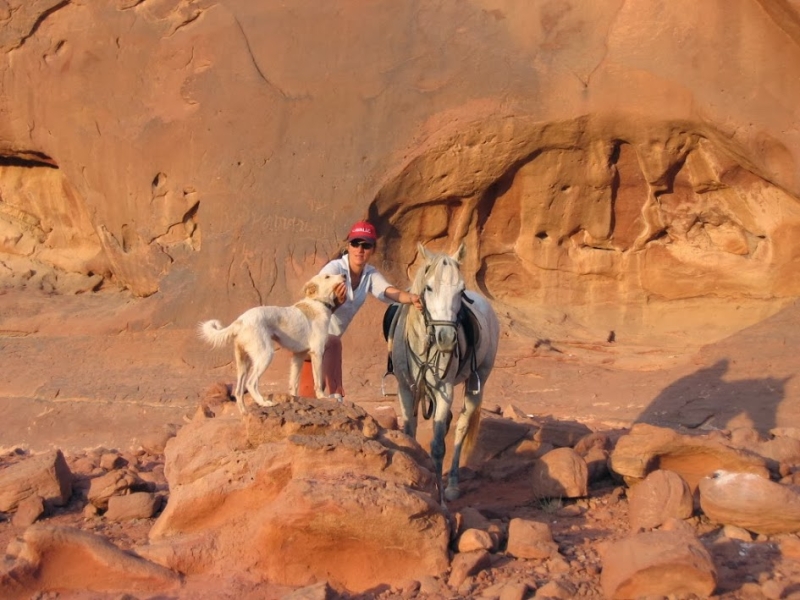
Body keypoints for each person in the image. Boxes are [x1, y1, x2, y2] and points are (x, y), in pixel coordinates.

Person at [298, 221, 422, 400]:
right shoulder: (334, 269)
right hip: (310, 337)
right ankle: (336, 396)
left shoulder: (369, 274)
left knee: (314, 401)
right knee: (310, 397)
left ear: (373, 249)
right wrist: (336, 304)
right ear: (348, 245)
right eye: (355, 243)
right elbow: (312, 300)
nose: (360, 249)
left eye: (366, 245)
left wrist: (411, 298)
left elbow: (390, 292)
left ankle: (335, 400)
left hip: (327, 346)